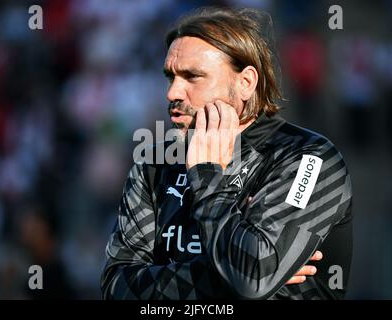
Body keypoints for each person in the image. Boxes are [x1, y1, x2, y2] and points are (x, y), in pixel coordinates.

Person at [101, 7, 353, 300]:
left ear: (245, 82)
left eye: (192, 76)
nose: (173, 93)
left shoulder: (308, 157)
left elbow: (253, 276)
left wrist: (207, 174)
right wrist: (227, 276)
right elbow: (116, 287)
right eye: (171, 77)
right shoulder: (154, 163)